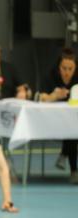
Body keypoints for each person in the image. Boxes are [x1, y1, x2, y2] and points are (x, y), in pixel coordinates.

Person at [38, 47, 78, 183]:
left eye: (70, 69)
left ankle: (66, 156)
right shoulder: (50, 76)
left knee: (73, 127)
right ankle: (72, 167)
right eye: (64, 68)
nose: (67, 73)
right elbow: (41, 97)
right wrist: (53, 96)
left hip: (73, 122)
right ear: (58, 67)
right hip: (51, 121)